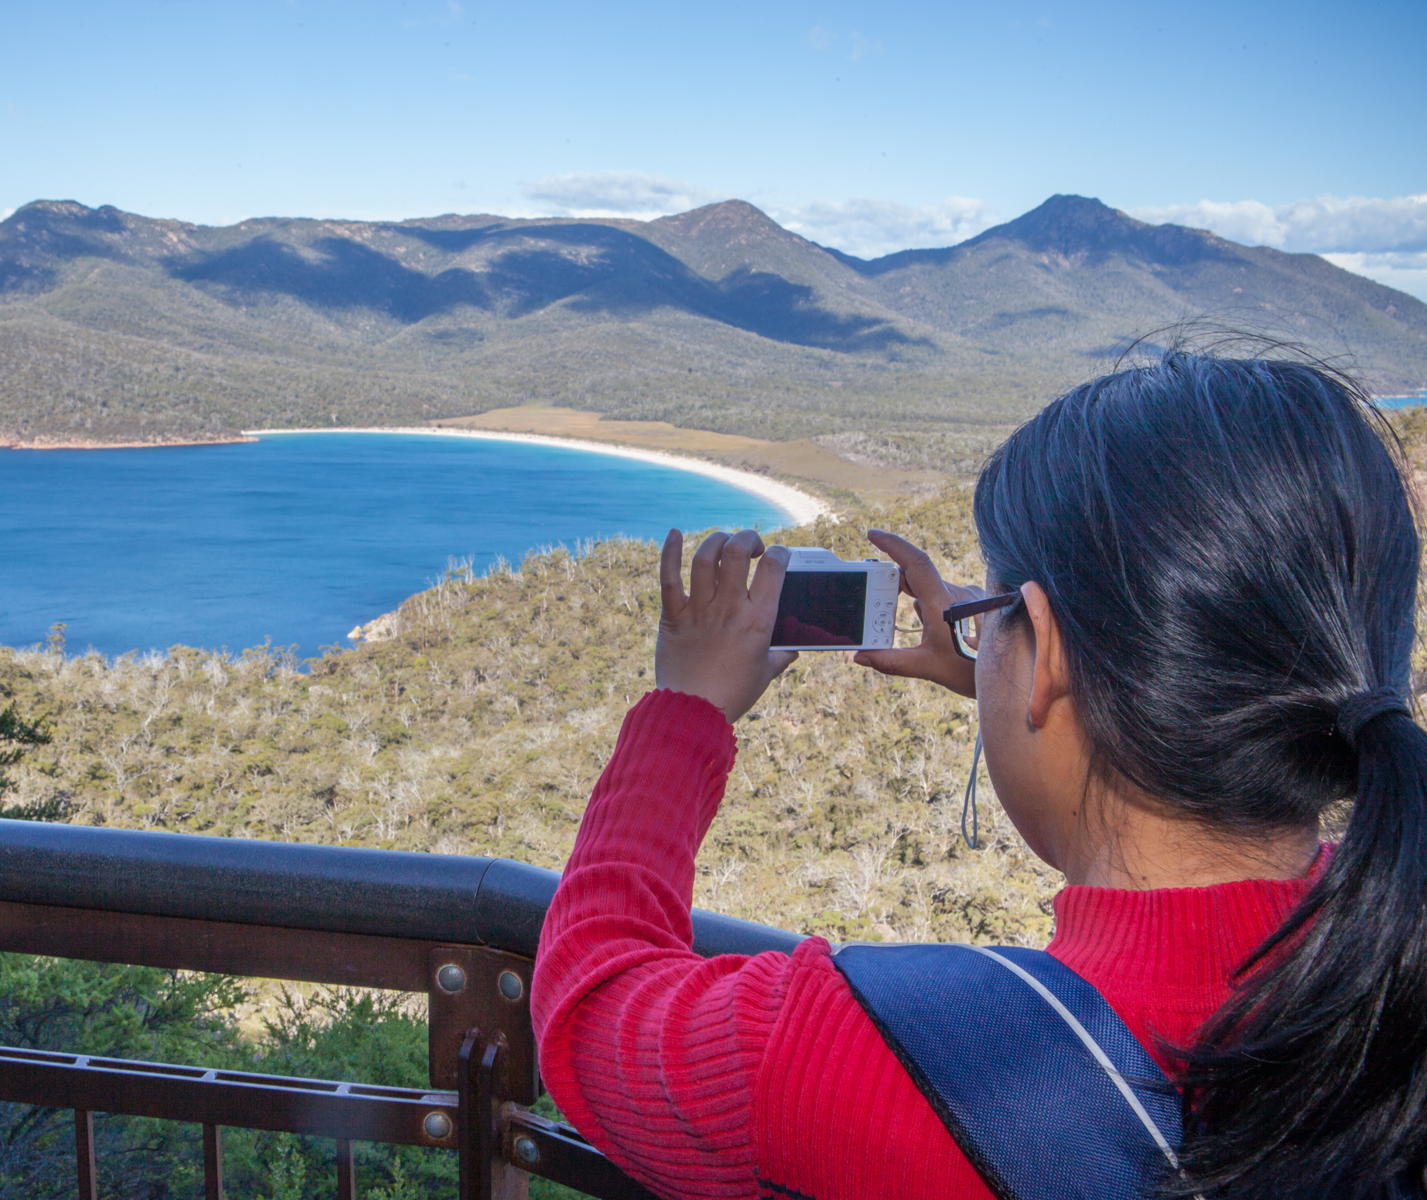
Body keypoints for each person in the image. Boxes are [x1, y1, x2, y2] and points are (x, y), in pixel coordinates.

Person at [530, 349, 1427, 1200]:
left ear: (1046, 659)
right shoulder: (1395, 950)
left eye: (994, 612)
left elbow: (593, 1003)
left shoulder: (858, 1055)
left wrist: (686, 711)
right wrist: (1024, 676)